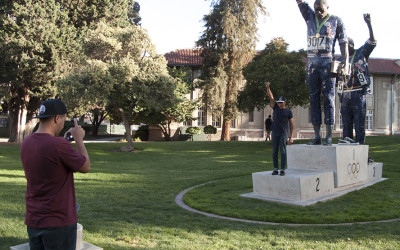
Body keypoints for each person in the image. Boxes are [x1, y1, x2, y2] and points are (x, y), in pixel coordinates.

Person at [20, 99, 90, 250]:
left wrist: (65, 141)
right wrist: (79, 140)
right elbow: (85, 166)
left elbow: (51, 159)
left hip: (34, 219)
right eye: (63, 119)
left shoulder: (27, 142)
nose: (63, 124)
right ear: (57, 118)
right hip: (58, 222)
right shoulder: (59, 145)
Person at [296, 0, 349, 145]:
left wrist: (345, 62)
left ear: (327, 7)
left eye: (321, 9)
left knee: (329, 98)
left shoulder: (336, 21)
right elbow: (300, 2)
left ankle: (329, 135)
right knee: (313, 99)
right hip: (312, 64)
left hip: (327, 64)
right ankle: (317, 135)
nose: (318, 12)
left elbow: (343, 43)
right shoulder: (310, 17)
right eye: (316, 9)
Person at [338, 14, 376, 145]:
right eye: (342, 45)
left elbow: (372, 41)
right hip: (345, 94)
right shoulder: (341, 60)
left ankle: (361, 150)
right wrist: (340, 95)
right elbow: (337, 79)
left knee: (359, 123)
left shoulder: (361, 53)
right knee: (346, 124)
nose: (343, 47)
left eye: (346, 44)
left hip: (358, 92)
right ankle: (347, 150)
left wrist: (369, 24)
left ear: (352, 45)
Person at [266, 82, 294, 176]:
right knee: (274, 151)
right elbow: (271, 98)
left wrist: (291, 137)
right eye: (279, 103)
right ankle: (275, 169)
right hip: (275, 132)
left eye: (281, 103)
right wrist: (268, 88)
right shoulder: (276, 109)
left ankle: (282, 169)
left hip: (283, 133)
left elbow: (292, 124)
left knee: (283, 151)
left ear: (285, 102)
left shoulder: (288, 112)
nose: (280, 104)